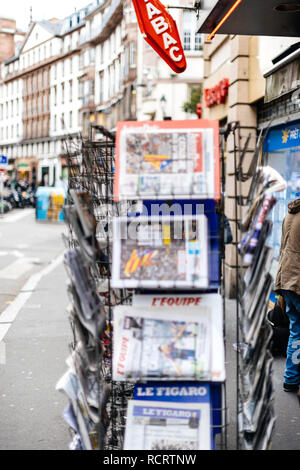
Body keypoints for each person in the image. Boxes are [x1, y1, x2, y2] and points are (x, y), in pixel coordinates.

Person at [275, 198, 300, 399]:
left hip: (287, 278)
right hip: (298, 279)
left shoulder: (290, 213)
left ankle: (291, 378)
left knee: (296, 330)